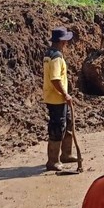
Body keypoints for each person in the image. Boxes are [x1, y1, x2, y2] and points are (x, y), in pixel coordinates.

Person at [43, 26, 77, 171]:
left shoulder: (49, 54)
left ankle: (66, 154)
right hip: (56, 99)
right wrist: (65, 94)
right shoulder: (56, 57)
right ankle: (52, 161)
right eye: (66, 41)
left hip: (57, 98)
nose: (67, 44)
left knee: (67, 123)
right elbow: (55, 79)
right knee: (57, 128)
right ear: (62, 41)